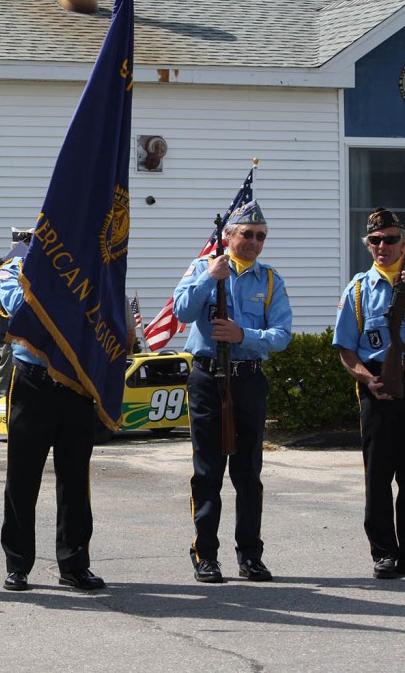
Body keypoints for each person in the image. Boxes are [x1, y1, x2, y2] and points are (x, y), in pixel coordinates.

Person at [173, 200, 292, 583]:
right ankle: (205, 555)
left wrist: (245, 335)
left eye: (260, 236)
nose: (254, 241)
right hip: (209, 379)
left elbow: (282, 335)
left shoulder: (270, 280)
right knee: (207, 470)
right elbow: (182, 310)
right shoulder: (200, 268)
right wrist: (210, 276)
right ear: (228, 236)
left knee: (248, 473)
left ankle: (250, 555)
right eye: (246, 234)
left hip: (248, 379)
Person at [332, 207, 405, 580]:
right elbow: (346, 350)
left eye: (390, 239)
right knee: (380, 475)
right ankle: (384, 552)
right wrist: (368, 380)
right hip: (377, 387)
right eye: (376, 241)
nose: (383, 246)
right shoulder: (357, 290)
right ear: (368, 245)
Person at [0, 254, 105, 592]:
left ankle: (74, 564)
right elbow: (18, 307)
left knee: (75, 480)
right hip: (32, 383)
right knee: (22, 478)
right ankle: (18, 564)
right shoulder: (14, 269)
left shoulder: (89, 267)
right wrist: (54, 279)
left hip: (76, 382)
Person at [0, 229, 32, 406]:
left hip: (26, 332)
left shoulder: (34, 265)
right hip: (7, 328)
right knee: (5, 370)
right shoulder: (2, 264)